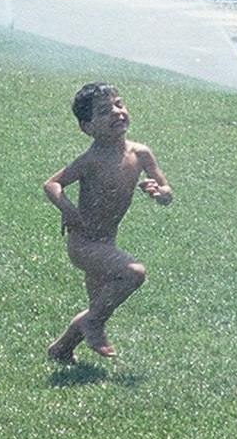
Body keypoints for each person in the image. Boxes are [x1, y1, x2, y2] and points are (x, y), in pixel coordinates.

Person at [44, 83, 172, 363]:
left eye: (119, 104)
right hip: (84, 244)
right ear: (87, 127)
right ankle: (93, 325)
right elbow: (52, 183)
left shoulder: (141, 154)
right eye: (104, 111)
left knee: (99, 306)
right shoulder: (91, 160)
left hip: (106, 243)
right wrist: (67, 209)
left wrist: (159, 193)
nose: (117, 112)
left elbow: (167, 193)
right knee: (133, 273)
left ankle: (60, 350)